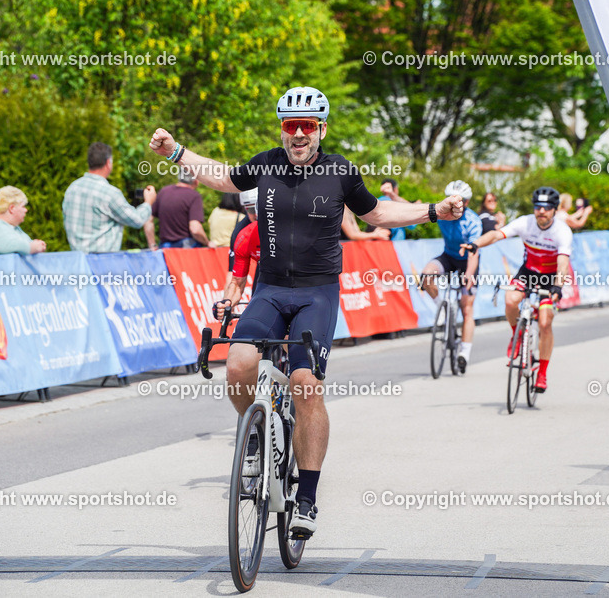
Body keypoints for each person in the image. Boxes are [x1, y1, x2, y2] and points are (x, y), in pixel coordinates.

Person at [148, 85, 463, 538]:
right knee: (237, 364)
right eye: (289, 126)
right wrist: (176, 151)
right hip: (271, 289)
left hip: (317, 293)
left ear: (321, 129)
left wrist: (433, 209)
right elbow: (220, 178)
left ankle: (308, 498)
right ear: (282, 129)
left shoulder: (340, 172)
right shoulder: (266, 163)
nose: (297, 134)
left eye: (306, 126)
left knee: (303, 384)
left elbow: (377, 216)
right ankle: (254, 435)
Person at [461, 187, 572, 393]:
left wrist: (558, 285)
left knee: (546, 322)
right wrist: (476, 244)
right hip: (528, 271)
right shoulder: (525, 222)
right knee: (510, 299)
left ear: (555, 210)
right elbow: (496, 234)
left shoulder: (562, 231)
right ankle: (517, 335)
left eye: (547, 208)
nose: (541, 212)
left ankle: (542, 374)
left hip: (550, 277)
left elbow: (563, 263)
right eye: (538, 207)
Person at [419, 180, 482, 374]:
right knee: (425, 276)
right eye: (452, 201)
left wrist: (469, 276)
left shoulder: (473, 221)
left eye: (461, 202)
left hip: (467, 260)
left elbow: (474, 253)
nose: (456, 205)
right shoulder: (441, 212)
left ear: (468, 202)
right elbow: (416, 209)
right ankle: (443, 307)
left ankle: (464, 352)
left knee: (467, 306)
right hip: (448, 256)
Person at [63, 142, 157, 252]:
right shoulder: (109, 193)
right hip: (103, 264)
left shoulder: (72, 188)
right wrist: (148, 202)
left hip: (78, 263)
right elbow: (137, 220)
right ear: (108, 163)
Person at [0, 186, 47, 255]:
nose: (26, 210)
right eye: (23, 206)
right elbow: (6, 245)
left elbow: (27, 243)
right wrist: (31, 247)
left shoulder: (15, 228)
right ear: (12, 208)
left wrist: (39, 245)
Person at [152, 168, 208, 248]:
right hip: (185, 248)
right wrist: (207, 242)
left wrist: (152, 244)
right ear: (196, 180)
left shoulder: (164, 191)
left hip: (165, 248)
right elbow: (195, 229)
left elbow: (149, 219)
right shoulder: (194, 196)